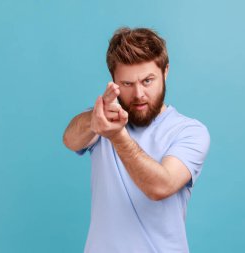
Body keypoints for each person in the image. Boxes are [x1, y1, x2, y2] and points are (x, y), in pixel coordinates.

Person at [63, 27, 211, 253]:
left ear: (166, 72)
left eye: (148, 81)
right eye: (127, 84)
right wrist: (96, 117)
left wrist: (117, 135)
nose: (139, 94)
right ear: (114, 82)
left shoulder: (189, 131)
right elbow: (70, 140)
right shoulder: (102, 121)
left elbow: (160, 186)